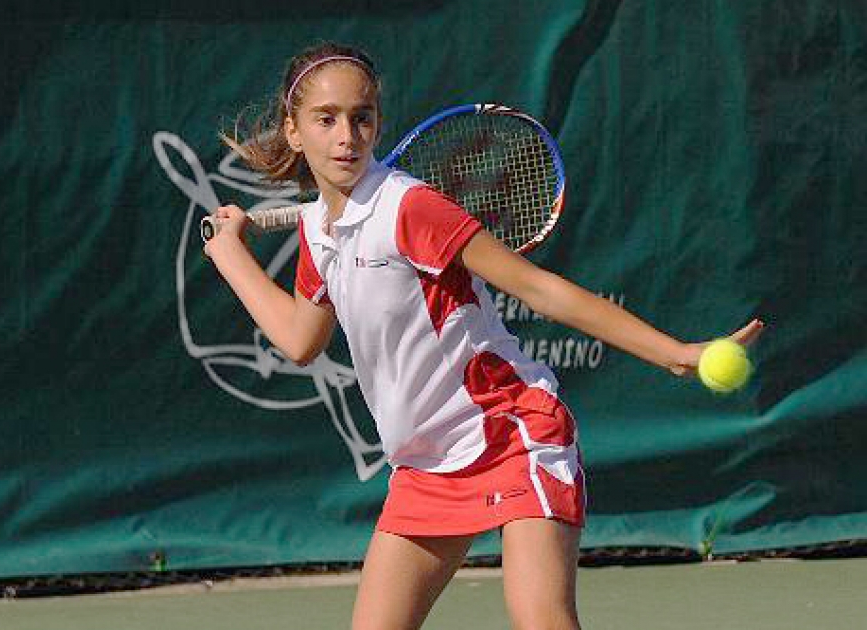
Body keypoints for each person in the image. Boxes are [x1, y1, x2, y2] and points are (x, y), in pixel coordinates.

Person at [204, 42, 764, 630]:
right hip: (425, 464)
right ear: (293, 132)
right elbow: (300, 339)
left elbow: (540, 290)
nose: (348, 135)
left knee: (542, 620)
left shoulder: (410, 209)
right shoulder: (320, 232)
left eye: (361, 116)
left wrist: (673, 354)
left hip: (513, 432)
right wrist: (232, 259)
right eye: (326, 119)